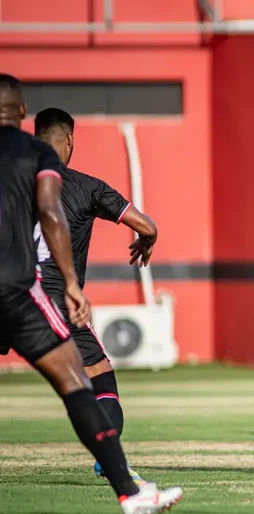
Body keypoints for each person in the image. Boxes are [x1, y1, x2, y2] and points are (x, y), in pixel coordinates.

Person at [0, 74, 180, 514]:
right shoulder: (44, 162)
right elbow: (55, 214)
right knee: (86, 381)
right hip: (33, 294)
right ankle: (125, 484)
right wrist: (75, 282)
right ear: (20, 113)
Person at [33, 107, 158, 485]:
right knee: (101, 382)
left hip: (9, 294)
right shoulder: (87, 187)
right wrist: (147, 240)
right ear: (69, 140)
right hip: (56, 298)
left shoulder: (10, 182)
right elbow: (147, 226)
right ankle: (110, 462)